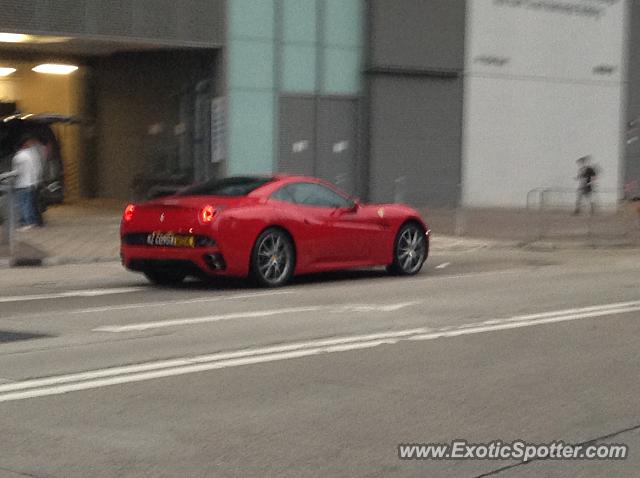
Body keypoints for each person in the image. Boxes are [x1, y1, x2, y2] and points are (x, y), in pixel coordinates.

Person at [11, 136, 43, 231]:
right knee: (29, 203)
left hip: (22, 184)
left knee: (23, 204)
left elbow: (17, 172)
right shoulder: (31, 155)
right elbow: (36, 169)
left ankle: (26, 222)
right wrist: (36, 180)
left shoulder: (18, 157)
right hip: (31, 183)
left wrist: (5, 176)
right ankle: (32, 221)